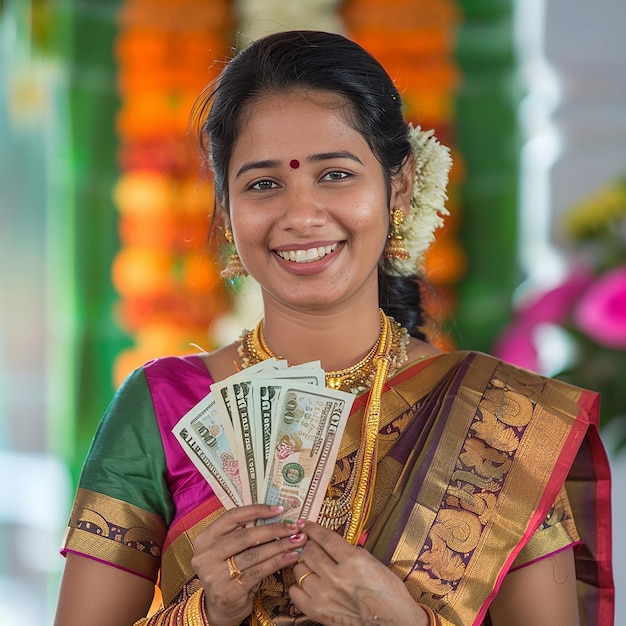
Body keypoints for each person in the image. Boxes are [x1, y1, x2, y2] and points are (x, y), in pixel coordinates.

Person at [54, 30, 614, 626]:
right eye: (264, 184)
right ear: (226, 207)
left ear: (397, 184)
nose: (301, 215)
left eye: (336, 175)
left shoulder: (506, 422)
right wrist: (206, 611)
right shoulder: (163, 409)